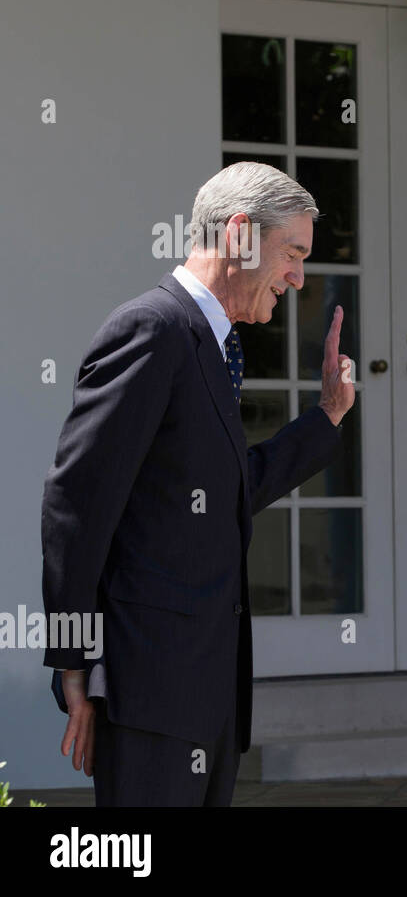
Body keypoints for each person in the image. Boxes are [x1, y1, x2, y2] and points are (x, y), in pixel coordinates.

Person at [42, 161, 356, 806]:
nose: (300, 277)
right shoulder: (153, 330)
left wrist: (326, 417)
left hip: (206, 690)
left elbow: (225, 490)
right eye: (293, 253)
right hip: (149, 688)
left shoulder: (211, 343)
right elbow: (75, 503)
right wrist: (73, 661)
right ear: (240, 233)